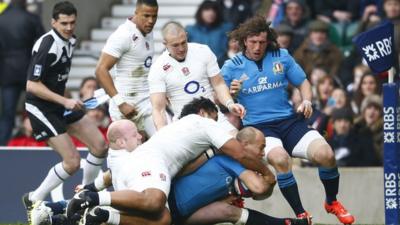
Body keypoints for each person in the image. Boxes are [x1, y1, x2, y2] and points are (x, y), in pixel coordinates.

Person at [221, 16, 355, 224]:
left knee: (326, 154)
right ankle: (301, 213)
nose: (258, 47)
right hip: (260, 128)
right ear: (245, 40)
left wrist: (307, 100)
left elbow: (303, 83)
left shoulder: (281, 56)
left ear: (268, 40)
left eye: (262, 42)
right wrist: (230, 97)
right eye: (253, 42)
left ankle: (331, 202)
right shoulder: (232, 66)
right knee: (282, 160)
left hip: (290, 121)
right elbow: (217, 95)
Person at [67, 97, 274, 225]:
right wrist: (267, 173)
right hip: (151, 162)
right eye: (215, 117)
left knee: (161, 219)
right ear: (203, 113)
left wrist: (91, 186)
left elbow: (182, 170)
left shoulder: (180, 134)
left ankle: (96, 214)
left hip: (137, 165)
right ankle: (94, 200)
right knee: (154, 201)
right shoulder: (202, 123)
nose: (218, 124)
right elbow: (241, 156)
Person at [22, 2, 108, 224]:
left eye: (72, 22)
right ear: (53, 22)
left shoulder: (70, 40)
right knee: (72, 162)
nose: (69, 27)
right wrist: (65, 100)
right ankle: (34, 198)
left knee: (100, 145)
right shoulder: (48, 44)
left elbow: (56, 79)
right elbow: (32, 85)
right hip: (40, 107)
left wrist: (70, 100)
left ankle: (85, 196)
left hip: (60, 103)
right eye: (64, 23)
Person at [148, 21, 245, 132]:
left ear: (186, 35)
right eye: (175, 45)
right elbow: (158, 109)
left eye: (183, 42)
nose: (181, 48)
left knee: (238, 146)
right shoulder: (157, 68)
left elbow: (218, 84)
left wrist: (230, 104)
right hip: (185, 125)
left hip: (214, 117)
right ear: (165, 44)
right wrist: (162, 133)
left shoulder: (203, 51)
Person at [95, 0, 158, 138]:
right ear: (136, 13)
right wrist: (121, 104)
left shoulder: (148, 31)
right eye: (146, 16)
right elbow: (100, 70)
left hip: (146, 103)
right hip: (125, 105)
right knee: (128, 154)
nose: (151, 21)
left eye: (154, 16)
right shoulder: (123, 35)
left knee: (162, 143)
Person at [0, 0, 44, 145]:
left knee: (7, 114)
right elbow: (43, 46)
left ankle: (2, 147)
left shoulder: (2, 18)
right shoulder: (31, 18)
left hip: (7, 73)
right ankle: (40, 142)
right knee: (36, 110)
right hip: (29, 72)